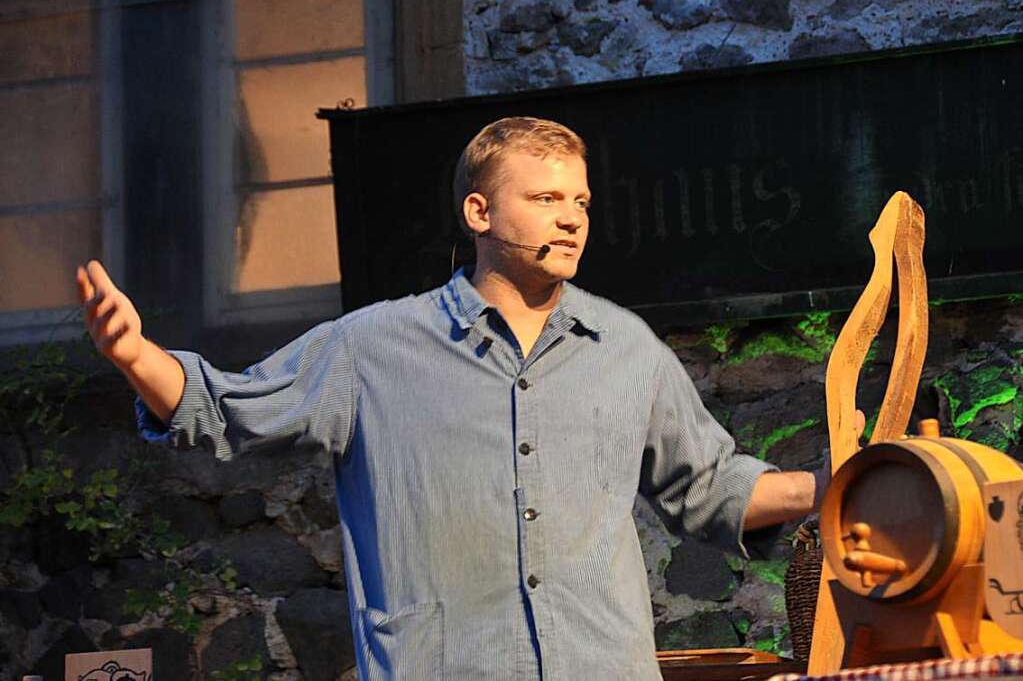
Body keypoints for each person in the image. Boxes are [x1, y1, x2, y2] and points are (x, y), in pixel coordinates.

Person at [78, 117, 827, 680]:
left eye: (581, 201)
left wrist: (829, 487)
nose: (570, 217)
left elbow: (708, 486)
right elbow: (228, 408)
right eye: (543, 198)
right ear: (479, 213)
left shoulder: (625, 346)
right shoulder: (370, 348)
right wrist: (136, 353)